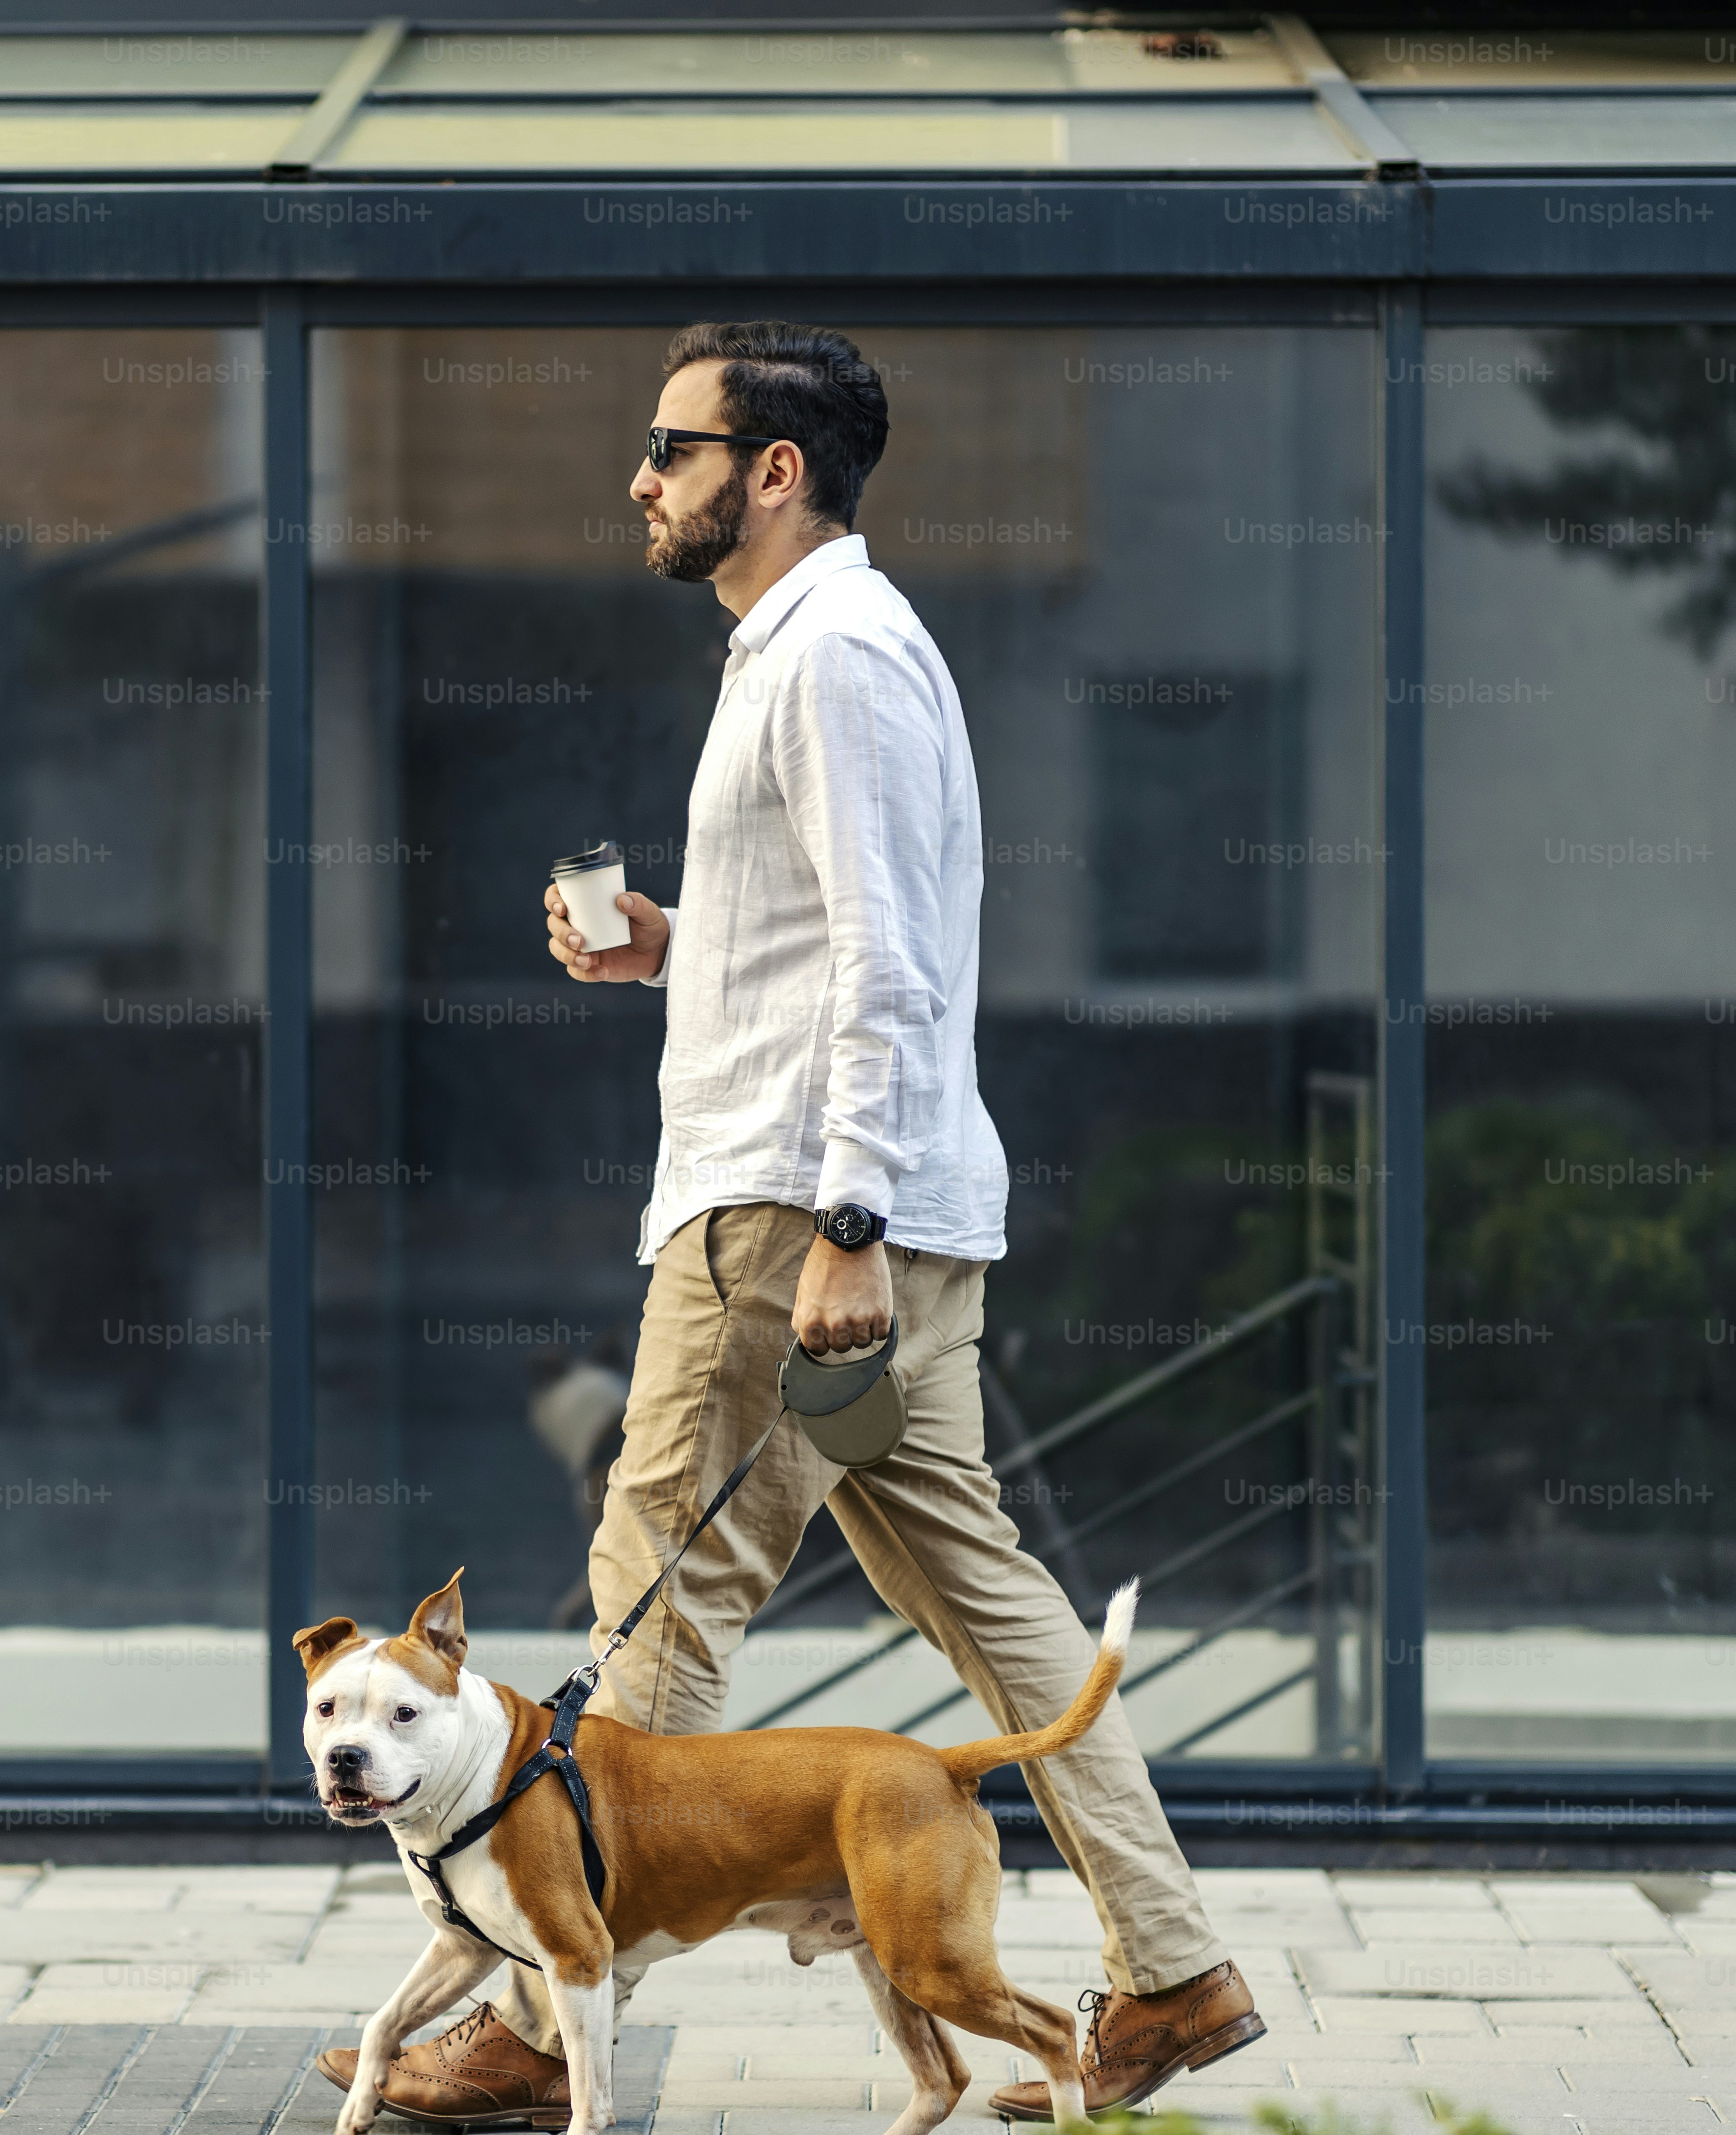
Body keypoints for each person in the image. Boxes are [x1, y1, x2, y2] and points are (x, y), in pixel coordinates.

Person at [316, 321, 1259, 2128]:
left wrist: (842, 1218)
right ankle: (1174, 1973)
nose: (637, 475)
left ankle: (530, 2015)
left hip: (792, 1212)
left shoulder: (831, 656)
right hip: (853, 1193)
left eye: (670, 447)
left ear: (772, 470)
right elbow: (833, 935)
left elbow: (893, 965)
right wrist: (682, 945)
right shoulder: (810, 652)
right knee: (989, 1602)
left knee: (652, 1583)